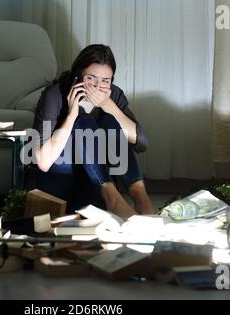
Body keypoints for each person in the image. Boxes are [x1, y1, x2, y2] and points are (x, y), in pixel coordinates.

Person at [27, 44, 154, 219]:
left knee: (110, 120)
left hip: (93, 184)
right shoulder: (54, 95)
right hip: (59, 183)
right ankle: (113, 198)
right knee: (84, 120)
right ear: (78, 75)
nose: (98, 86)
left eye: (105, 81)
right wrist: (72, 115)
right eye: (91, 78)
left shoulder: (112, 94)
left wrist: (108, 105)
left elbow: (141, 141)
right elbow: (43, 162)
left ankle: (141, 198)